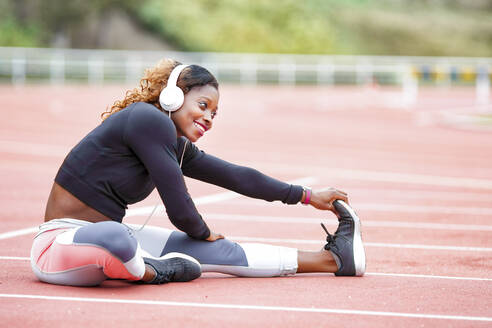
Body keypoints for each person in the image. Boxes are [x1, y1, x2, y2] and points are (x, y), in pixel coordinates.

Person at [30, 59, 366, 287]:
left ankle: (332, 261)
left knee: (217, 251)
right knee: (117, 238)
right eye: (202, 105)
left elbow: (237, 177)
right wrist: (201, 231)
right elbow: (179, 208)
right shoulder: (148, 120)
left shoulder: (174, 144)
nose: (208, 118)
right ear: (174, 97)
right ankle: (149, 272)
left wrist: (307, 196)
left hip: (106, 245)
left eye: (215, 114)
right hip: (59, 246)